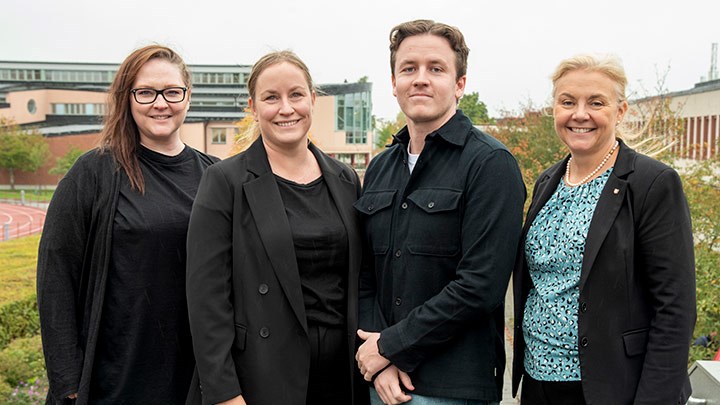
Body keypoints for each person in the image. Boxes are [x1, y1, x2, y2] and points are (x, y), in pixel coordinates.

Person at [354, 19, 526, 405]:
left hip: (453, 387)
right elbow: (363, 272)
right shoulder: (380, 168)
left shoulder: (490, 164)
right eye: (409, 69)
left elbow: (480, 285)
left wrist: (393, 346)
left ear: (460, 84)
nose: (420, 79)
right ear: (394, 81)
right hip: (380, 383)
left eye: (436, 69)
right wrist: (380, 355)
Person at [37, 45, 218, 404]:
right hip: (114, 379)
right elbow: (56, 277)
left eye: (172, 91)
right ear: (128, 97)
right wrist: (68, 382)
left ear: (188, 96)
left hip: (194, 379)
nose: (160, 103)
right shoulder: (94, 172)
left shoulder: (215, 175)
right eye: (146, 92)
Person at [511, 54, 696, 405]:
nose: (580, 114)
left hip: (610, 388)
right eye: (568, 102)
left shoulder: (651, 183)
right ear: (555, 110)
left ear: (620, 111)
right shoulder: (548, 180)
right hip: (538, 382)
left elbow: (676, 307)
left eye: (596, 102)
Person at [185, 50, 368, 405]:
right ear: (253, 107)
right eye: (271, 97)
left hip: (341, 377)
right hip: (260, 376)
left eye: (296, 94)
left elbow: (361, 280)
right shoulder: (225, 181)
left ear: (312, 100)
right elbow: (207, 299)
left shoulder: (344, 179)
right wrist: (225, 393)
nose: (286, 108)